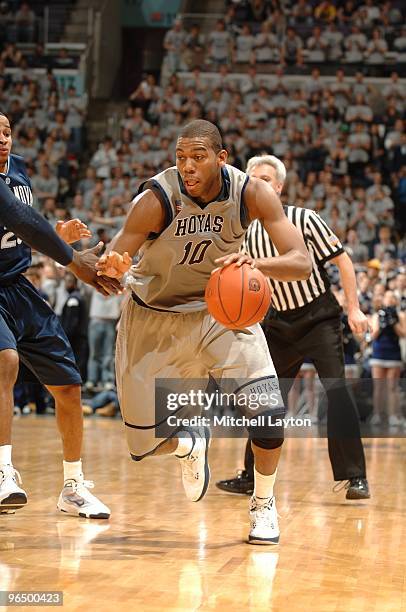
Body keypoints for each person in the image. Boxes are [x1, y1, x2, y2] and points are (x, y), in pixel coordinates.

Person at [96, 119, 312, 545]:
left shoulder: (252, 192)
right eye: (181, 158)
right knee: (143, 446)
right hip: (154, 316)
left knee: (268, 410)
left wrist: (255, 264)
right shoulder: (156, 199)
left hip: (221, 312)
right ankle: (188, 441)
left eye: (198, 157)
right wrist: (114, 265)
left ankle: (263, 504)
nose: (188, 167)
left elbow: (300, 260)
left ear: (221, 158)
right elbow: (118, 253)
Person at [216, 155, 371, 500]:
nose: (259, 184)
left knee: (337, 391)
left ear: (280, 187)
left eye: (266, 179)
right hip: (277, 322)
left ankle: (355, 477)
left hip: (318, 318)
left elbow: (343, 260)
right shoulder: (243, 230)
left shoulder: (304, 219)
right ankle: (250, 476)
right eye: (253, 179)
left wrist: (354, 308)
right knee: (264, 399)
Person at [0, 111, 119, 517]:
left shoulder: (18, 170)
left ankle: (73, 486)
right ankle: (3, 473)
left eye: (7, 132)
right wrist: (73, 260)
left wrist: (53, 235)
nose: (2, 140)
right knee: (6, 361)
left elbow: (22, 227)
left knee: (68, 386)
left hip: (19, 288)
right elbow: (17, 218)